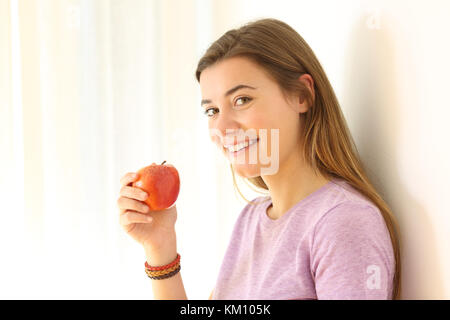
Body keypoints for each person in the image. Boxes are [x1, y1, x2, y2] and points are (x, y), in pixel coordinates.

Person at [117, 18, 401, 300]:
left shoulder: (343, 221)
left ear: (302, 95)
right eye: (212, 110)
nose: (222, 127)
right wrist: (160, 247)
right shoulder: (252, 218)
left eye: (241, 100)